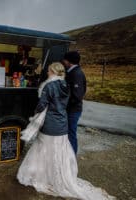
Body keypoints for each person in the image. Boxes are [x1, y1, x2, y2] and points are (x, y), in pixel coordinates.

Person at [17, 62, 115, 200]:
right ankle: (58, 176)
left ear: (53, 72)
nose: (47, 73)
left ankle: (43, 176)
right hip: (62, 123)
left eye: (49, 71)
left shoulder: (49, 86)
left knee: (43, 149)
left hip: (50, 124)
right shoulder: (66, 86)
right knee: (58, 151)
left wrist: (35, 113)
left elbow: (41, 105)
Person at [62, 51, 86, 154]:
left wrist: (63, 104)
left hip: (73, 110)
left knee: (71, 133)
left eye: (65, 59)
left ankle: (71, 157)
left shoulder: (76, 74)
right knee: (68, 133)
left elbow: (77, 96)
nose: (63, 61)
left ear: (68, 61)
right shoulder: (71, 71)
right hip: (71, 109)